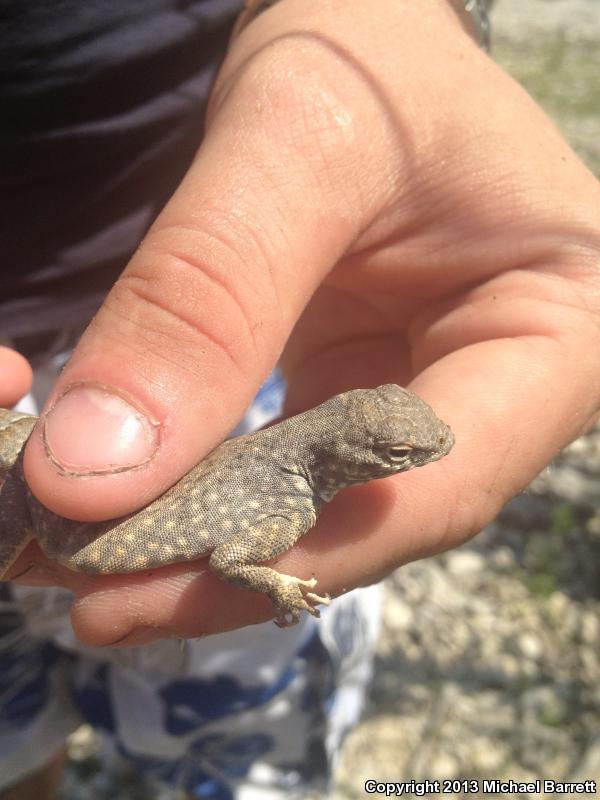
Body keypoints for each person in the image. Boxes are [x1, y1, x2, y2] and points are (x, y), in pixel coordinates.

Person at [1, 0, 599, 797]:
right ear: (347, 445)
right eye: (396, 454)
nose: (419, 456)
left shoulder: (282, 464)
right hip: (56, 484)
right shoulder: (284, 506)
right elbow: (232, 557)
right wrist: (282, 585)